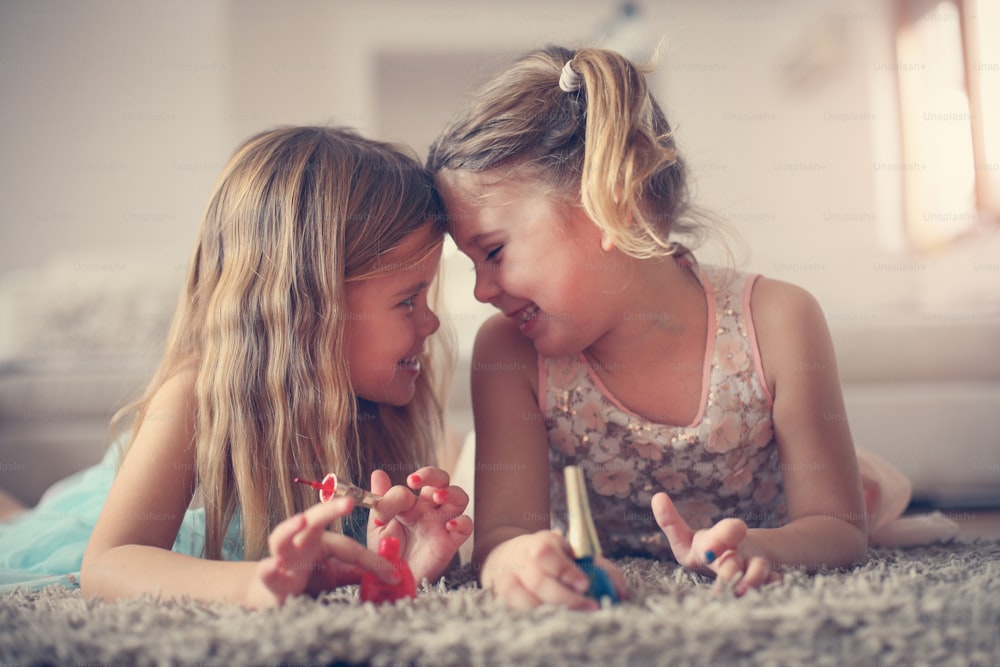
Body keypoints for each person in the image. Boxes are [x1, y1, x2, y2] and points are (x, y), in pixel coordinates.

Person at [426, 45, 958, 610]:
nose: (482, 291)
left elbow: (838, 528)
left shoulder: (779, 322)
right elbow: (503, 535)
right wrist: (517, 562)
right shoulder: (508, 354)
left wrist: (760, 546)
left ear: (610, 200)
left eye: (494, 252)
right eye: (472, 263)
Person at [0, 126, 473, 608]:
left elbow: (372, 553)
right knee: (20, 531)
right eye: (408, 301)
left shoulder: (382, 410)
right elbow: (109, 563)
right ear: (309, 310)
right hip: (84, 521)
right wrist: (252, 584)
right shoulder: (197, 397)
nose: (432, 321)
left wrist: (401, 557)